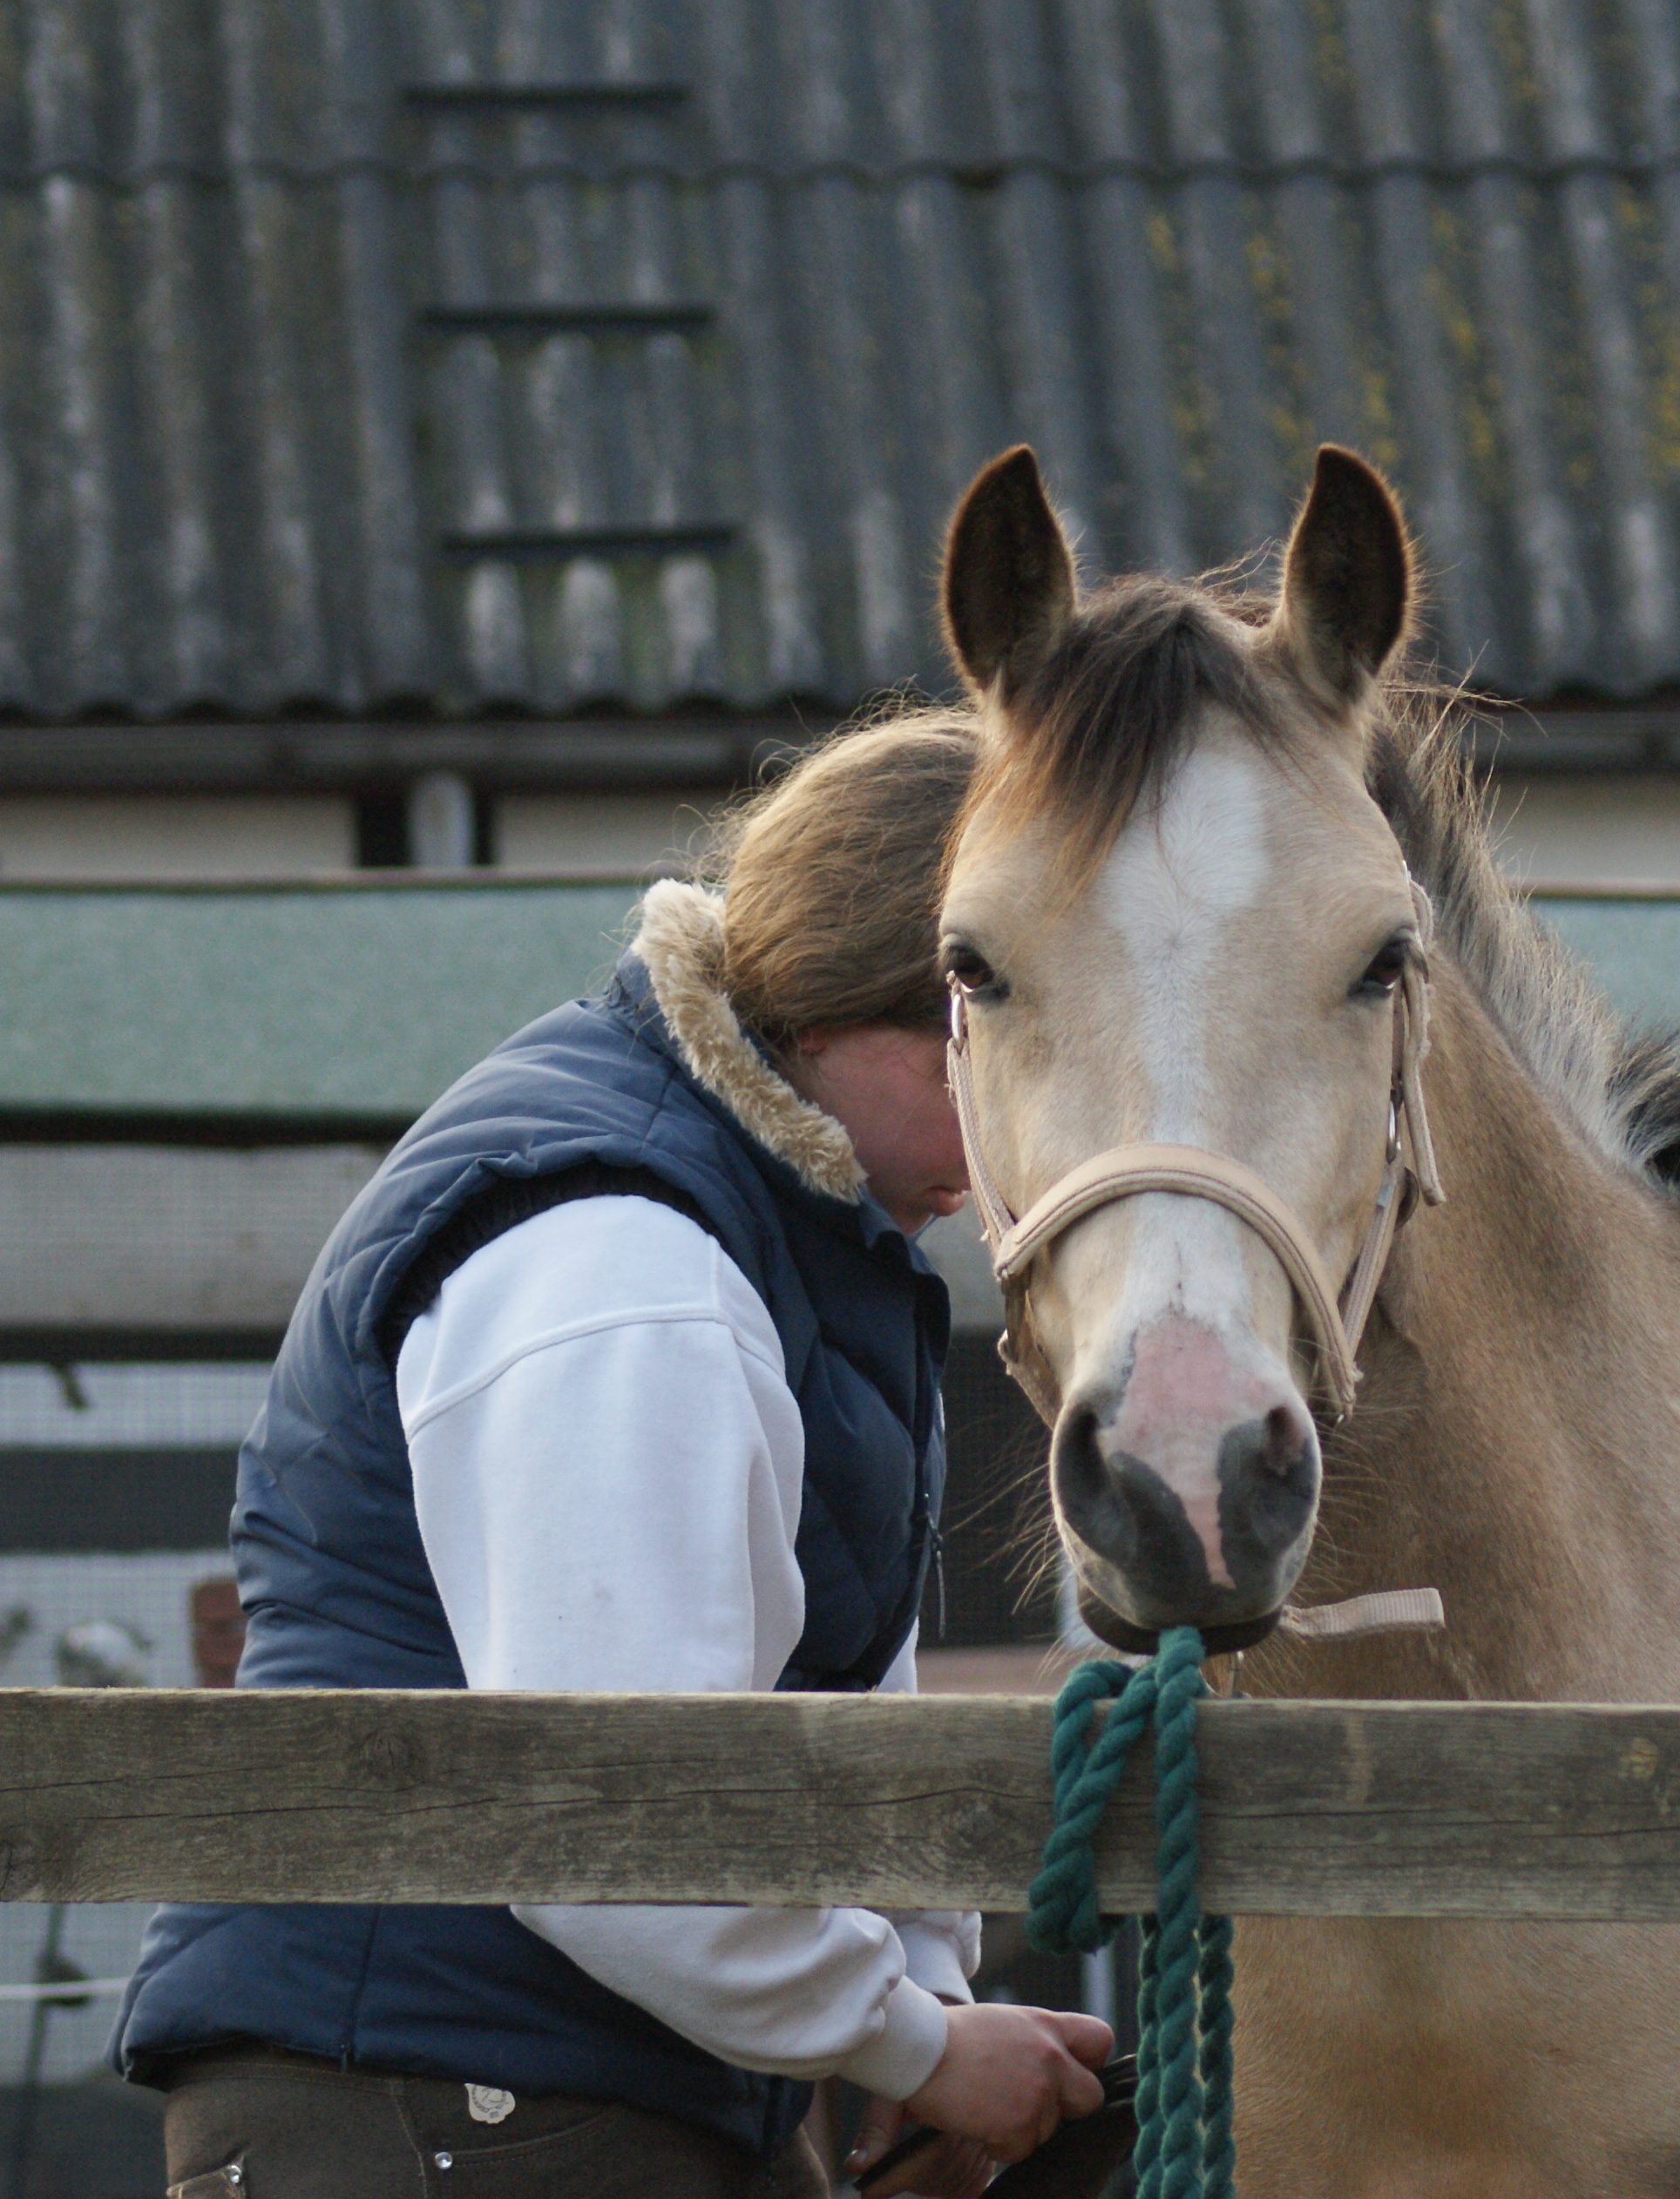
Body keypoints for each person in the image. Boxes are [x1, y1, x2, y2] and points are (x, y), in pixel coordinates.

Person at [118, 708, 1108, 2199]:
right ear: (828, 1013)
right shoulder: (626, 1258)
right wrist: (913, 2046)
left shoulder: (789, 1235)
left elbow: (836, 1696)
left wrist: (925, 2011)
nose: (1010, 1141)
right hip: (436, 2093)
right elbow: (611, 1817)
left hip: (558, 2086)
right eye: (973, 1060)